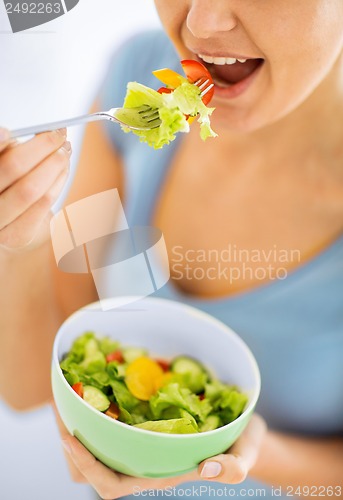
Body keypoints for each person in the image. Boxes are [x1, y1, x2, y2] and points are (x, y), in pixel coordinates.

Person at [1, 1, 343, 499]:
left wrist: (243, 451)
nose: (201, 24)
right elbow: (29, 383)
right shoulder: (138, 79)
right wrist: (21, 236)